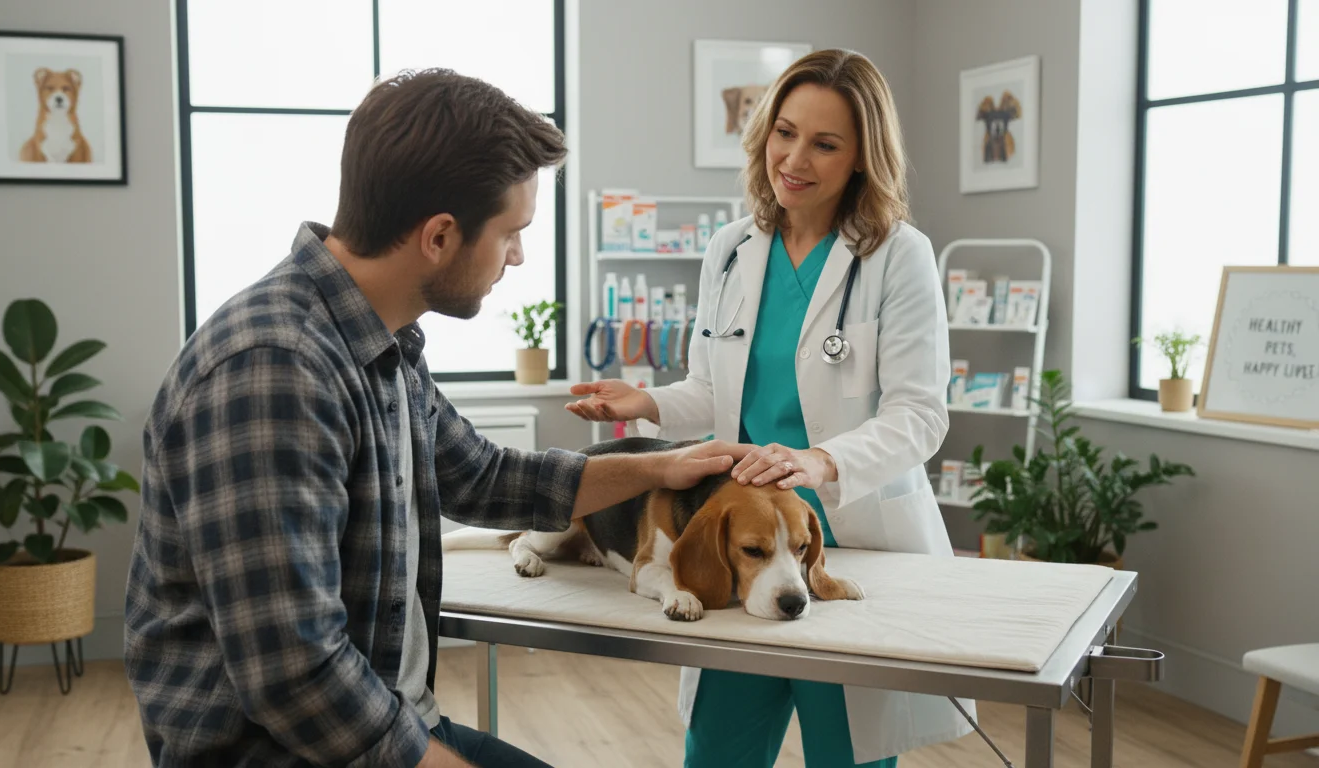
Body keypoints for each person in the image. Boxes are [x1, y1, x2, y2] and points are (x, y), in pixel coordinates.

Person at [123, 69, 752, 768]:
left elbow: (483, 477)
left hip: (389, 724)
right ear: (440, 236)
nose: (518, 256)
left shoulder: (379, 340)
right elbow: (296, 677)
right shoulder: (274, 370)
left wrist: (663, 466)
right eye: (512, 233)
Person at [566, 49, 975, 767]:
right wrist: (648, 400)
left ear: (861, 158)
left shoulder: (899, 255)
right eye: (784, 132)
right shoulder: (730, 249)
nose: (795, 158)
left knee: (847, 752)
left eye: (825, 143)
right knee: (718, 752)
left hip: (848, 540)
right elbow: (713, 393)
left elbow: (919, 415)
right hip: (738, 535)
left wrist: (820, 462)